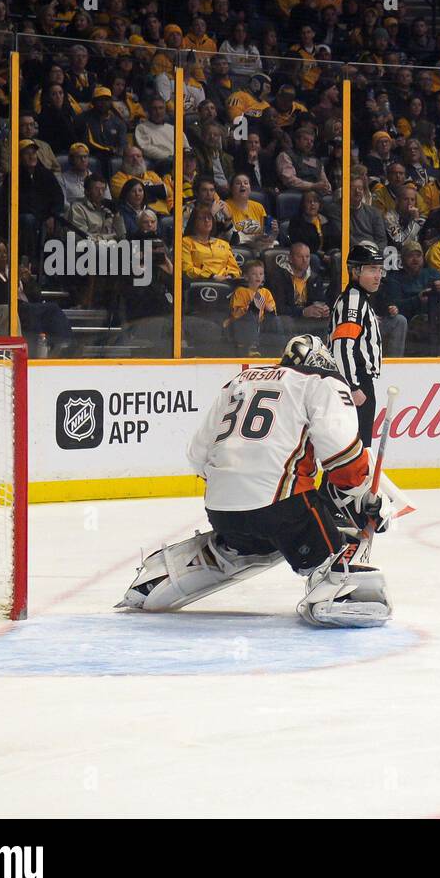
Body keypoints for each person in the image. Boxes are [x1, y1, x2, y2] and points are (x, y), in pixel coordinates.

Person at [118, 335, 391, 628]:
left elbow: (197, 455)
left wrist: (237, 485)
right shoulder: (321, 381)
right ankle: (340, 583)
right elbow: (340, 454)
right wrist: (364, 497)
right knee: (348, 520)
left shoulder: (241, 380)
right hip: (282, 511)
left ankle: (192, 564)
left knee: (251, 538)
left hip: (222, 514)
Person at [330, 243, 386, 447]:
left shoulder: (360, 299)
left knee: (349, 449)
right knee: (354, 450)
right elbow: (342, 346)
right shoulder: (354, 301)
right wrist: (352, 386)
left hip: (358, 379)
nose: (378, 275)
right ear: (355, 271)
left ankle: (334, 481)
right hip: (356, 380)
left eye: (380, 270)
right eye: (372, 269)